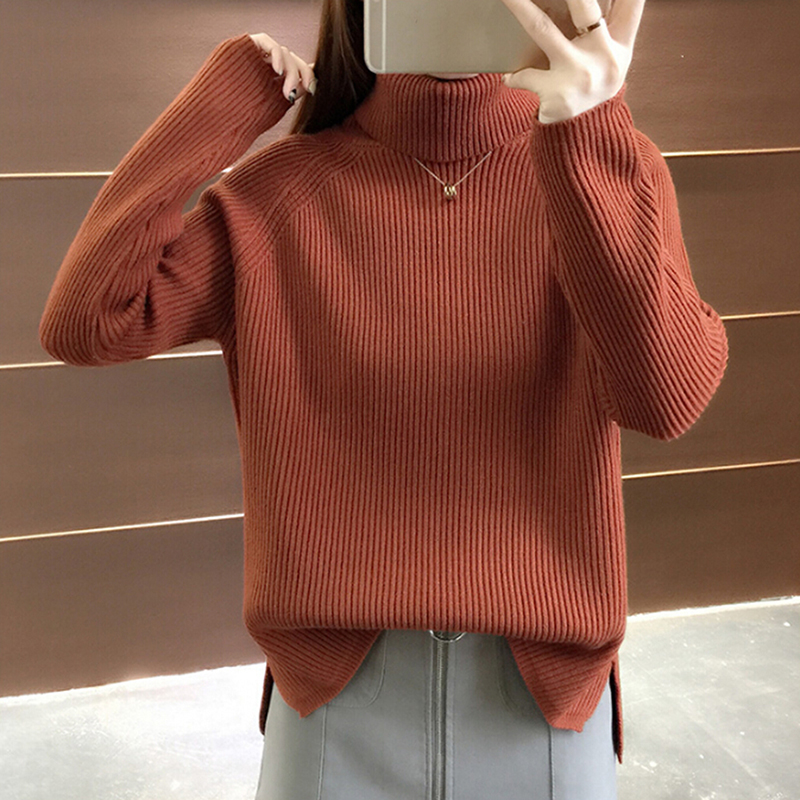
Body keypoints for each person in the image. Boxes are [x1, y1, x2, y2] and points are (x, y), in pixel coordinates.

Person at [39, 0, 729, 797]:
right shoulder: (280, 193)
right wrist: (230, 98)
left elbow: (665, 400)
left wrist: (587, 134)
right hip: (335, 698)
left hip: (545, 702)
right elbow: (88, 323)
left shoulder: (602, 169)